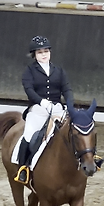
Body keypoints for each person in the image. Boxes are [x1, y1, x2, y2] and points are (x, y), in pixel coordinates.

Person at [14, 35, 74, 184]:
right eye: (40, 52)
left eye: (46, 51)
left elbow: (66, 89)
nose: (44, 54)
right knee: (28, 136)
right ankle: (23, 169)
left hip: (57, 109)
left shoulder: (59, 71)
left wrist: (70, 105)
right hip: (38, 110)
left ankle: (87, 159)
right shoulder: (29, 71)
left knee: (76, 131)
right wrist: (42, 102)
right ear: (34, 54)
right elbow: (29, 90)